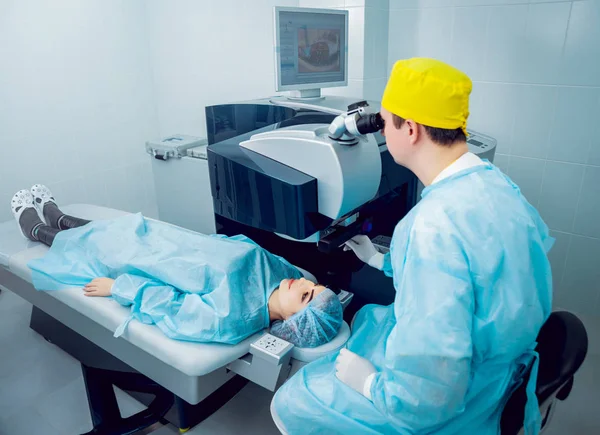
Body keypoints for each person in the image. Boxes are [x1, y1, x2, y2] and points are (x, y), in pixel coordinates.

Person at [272, 58, 553, 434]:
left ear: (412, 129)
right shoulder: (498, 186)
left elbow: (427, 396)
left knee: (293, 401)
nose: (382, 132)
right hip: (500, 366)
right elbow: (482, 275)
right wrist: (381, 260)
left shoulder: (433, 227)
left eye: (385, 122)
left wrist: (370, 384)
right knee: (373, 317)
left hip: (458, 403)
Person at [10, 185, 343, 347]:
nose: (302, 284)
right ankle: (60, 216)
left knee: (99, 245)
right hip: (168, 240)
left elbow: (171, 306)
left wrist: (119, 288)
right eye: (312, 287)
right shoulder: (286, 276)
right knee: (111, 227)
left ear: (289, 323)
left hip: (144, 265)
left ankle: (38, 229)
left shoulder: (228, 318)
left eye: (305, 298)